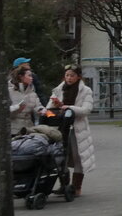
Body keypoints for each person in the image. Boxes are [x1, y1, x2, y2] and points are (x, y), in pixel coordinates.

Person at [46, 65, 96, 196]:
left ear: (78, 77)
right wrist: (55, 106)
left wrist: (69, 108)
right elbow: (48, 109)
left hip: (77, 128)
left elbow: (86, 109)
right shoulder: (59, 89)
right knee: (61, 155)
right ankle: (64, 185)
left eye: (72, 75)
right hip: (61, 126)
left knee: (78, 156)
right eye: (67, 75)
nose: (69, 78)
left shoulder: (85, 90)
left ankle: (76, 187)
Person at [7, 65, 42, 130]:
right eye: (29, 76)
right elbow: (5, 111)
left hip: (29, 128)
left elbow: (37, 105)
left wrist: (41, 110)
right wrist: (17, 107)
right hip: (13, 129)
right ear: (21, 77)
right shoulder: (9, 91)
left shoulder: (32, 92)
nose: (32, 78)